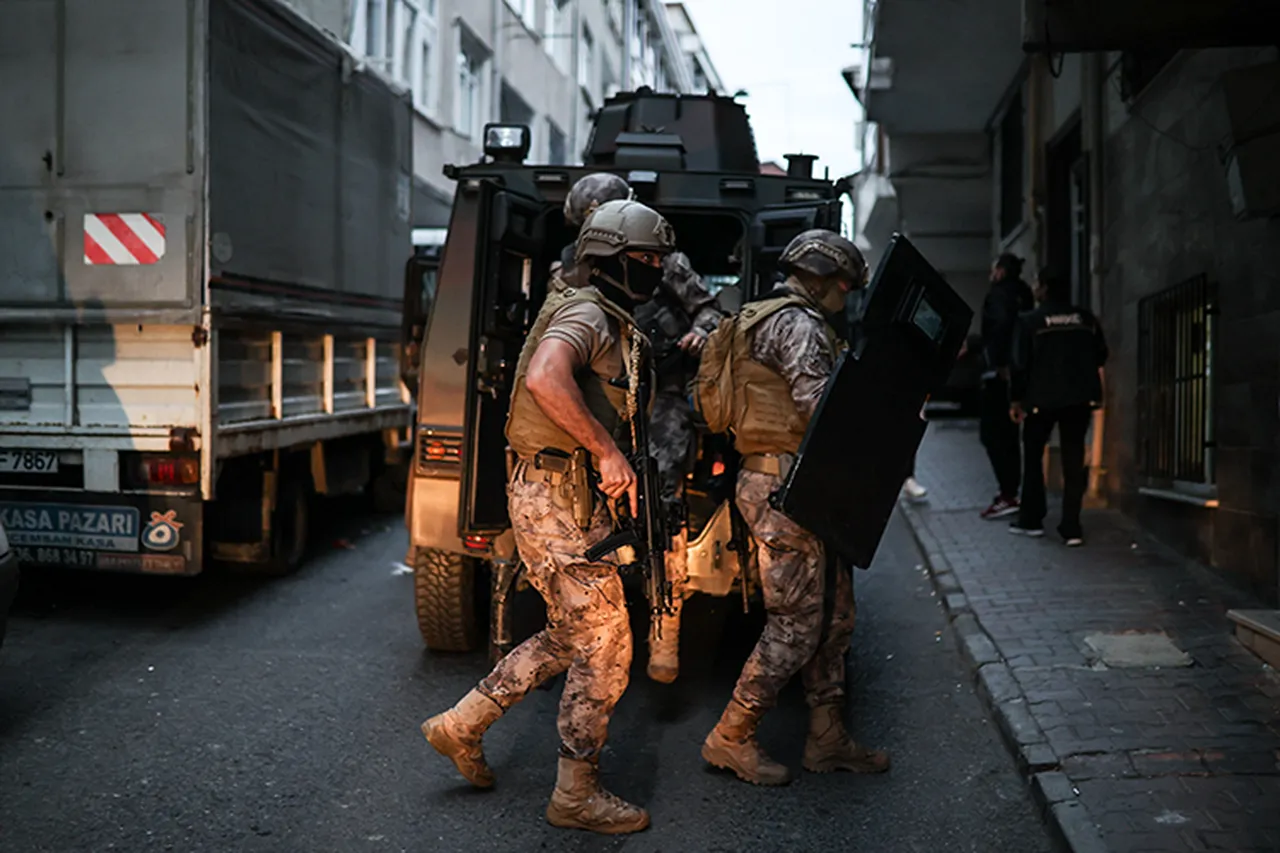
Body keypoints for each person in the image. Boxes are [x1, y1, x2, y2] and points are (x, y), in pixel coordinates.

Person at [421, 199, 676, 835]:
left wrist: (619, 474)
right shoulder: (587, 311)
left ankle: (462, 724)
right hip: (550, 494)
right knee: (608, 639)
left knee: (572, 631)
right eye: (646, 259)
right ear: (612, 259)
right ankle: (575, 794)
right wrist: (608, 451)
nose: (655, 270)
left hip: (569, 495)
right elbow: (544, 377)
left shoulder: (609, 318)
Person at [698, 229, 890, 786]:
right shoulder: (800, 325)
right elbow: (818, 411)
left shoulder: (759, 316)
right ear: (825, 278)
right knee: (798, 623)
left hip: (793, 484)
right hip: (788, 488)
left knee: (834, 615)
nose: (847, 296)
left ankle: (827, 737)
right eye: (845, 286)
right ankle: (731, 735)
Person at [556, 173, 727, 685]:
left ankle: (664, 637)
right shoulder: (568, 273)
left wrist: (699, 334)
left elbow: (711, 311)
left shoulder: (664, 262)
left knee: (660, 512)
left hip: (662, 393)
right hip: (604, 402)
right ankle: (583, 635)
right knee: (592, 514)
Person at [1008, 267, 1109, 546]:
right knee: (1073, 459)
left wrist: (1016, 399)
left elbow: (1019, 364)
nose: (1034, 288)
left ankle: (1031, 519)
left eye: (1037, 284)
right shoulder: (1086, 320)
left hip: (1041, 399)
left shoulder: (1030, 321)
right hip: (1079, 399)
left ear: (1044, 289)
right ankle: (1071, 526)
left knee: (1032, 456)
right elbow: (1101, 354)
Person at [977, 253, 1034, 520]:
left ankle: (1008, 493)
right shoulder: (1024, 294)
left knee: (992, 434)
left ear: (1000, 271)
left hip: (1001, 376)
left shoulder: (998, 295)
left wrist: (998, 364)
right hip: (1023, 372)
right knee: (1012, 435)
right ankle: (1014, 491)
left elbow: (999, 329)